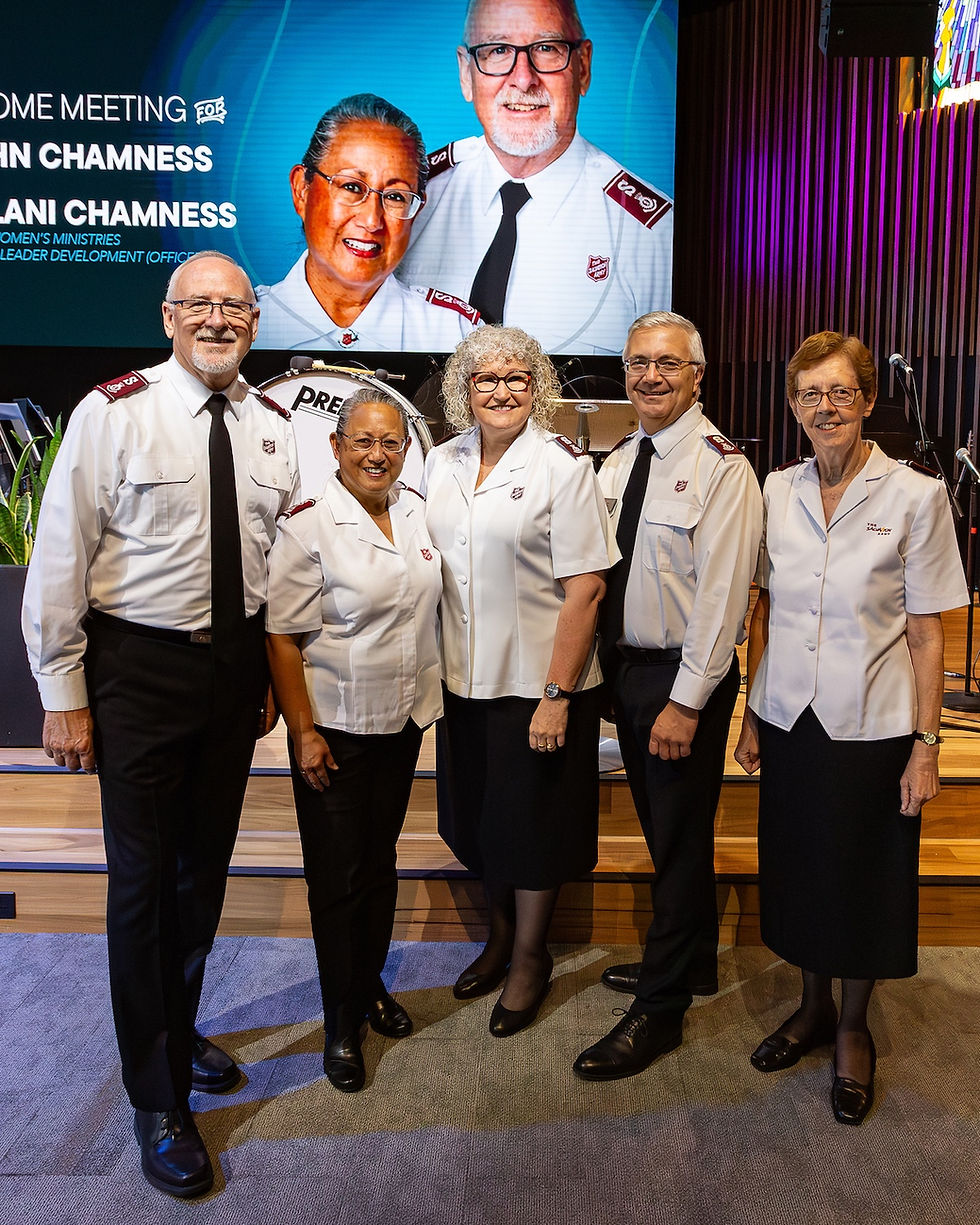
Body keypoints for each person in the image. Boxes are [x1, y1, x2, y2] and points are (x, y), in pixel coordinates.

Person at [21, 251, 299, 1198]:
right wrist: (62, 691)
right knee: (142, 885)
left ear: (254, 322)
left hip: (231, 674)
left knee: (200, 874)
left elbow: (273, 565)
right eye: (201, 306)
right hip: (136, 670)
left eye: (236, 307)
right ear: (169, 315)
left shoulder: (274, 426)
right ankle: (157, 1096)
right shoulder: (115, 410)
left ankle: (175, 1032)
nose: (219, 320)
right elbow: (61, 549)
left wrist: (265, 672)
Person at [733, 332, 967, 1124]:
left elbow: (930, 632)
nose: (824, 407)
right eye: (809, 394)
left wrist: (927, 747)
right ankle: (811, 1006)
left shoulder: (916, 494)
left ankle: (854, 1026)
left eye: (840, 393)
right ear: (793, 405)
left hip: (874, 725)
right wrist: (755, 711)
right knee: (800, 867)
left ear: (868, 400)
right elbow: (764, 605)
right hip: (790, 716)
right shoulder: (774, 488)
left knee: (863, 877)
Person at [572, 311, 763, 1081]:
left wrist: (687, 702)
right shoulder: (619, 461)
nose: (651, 376)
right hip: (628, 672)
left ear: (698, 375)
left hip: (685, 679)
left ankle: (660, 1008)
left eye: (668, 364)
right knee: (664, 834)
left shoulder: (724, 468)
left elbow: (723, 601)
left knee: (679, 843)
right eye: (639, 363)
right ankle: (690, 964)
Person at [424, 325, 613, 1036]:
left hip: (538, 686)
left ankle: (530, 957)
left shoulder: (562, 466)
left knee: (534, 828)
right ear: (462, 390)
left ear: (537, 387)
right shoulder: (437, 462)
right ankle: (498, 938)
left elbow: (586, 589)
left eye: (516, 378)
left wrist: (557, 696)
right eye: (485, 379)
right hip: (461, 681)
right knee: (480, 819)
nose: (501, 391)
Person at [265, 388, 442, 1092]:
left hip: (400, 720)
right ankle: (341, 1020)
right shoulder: (309, 523)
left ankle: (369, 986)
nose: (378, 453)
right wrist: (301, 729)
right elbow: (281, 634)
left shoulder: (418, 511)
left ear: (406, 449)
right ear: (335, 447)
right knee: (335, 879)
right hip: (332, 727)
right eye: (363, 441)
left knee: (377, 863)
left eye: (391, 442)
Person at [395, 0, 673, 356]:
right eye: (497, 50)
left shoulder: (653, 237)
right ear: (466, 74)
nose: (523, 79)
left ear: (583, 67)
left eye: (547, 48)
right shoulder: (405, 202)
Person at [255, 93, 480, 351]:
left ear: (416, 210)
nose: (373, 220)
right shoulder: (240, 326)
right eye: (351, 187)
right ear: (301, 190)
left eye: (396, 196)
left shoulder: (456, 336)